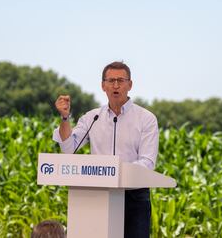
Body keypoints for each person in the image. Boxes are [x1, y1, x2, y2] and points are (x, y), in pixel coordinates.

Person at [53, 61, 159, 238]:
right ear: (103, 86)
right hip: (98, 195)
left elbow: (147, 162)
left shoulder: (146, 118)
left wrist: (116, 172)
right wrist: (65, 118)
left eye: (120, 80)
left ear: (130, 85)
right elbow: (69, 148)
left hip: (134, 197)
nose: (115, 85)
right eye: (110, 81)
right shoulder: (92, 117)